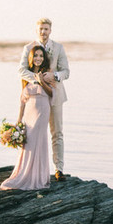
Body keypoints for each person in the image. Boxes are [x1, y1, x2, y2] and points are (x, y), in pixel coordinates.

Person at [19, 18, 69, 181]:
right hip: (36, 98)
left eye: (46, 29)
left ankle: (58, 169)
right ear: (36, 30)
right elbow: (21, 70)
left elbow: (66, 72)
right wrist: (38, 79)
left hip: (55, 96)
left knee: (57, 132)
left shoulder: (59, 48)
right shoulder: (28, 48)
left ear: (50, 30)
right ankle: (33, 169)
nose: (43, 32)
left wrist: (53, 75)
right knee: (33, 133)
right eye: (41, 29)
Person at [0, 45, 54, 191]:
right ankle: (24, 173)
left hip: (42, 110)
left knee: (38, 140)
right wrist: (19, 119)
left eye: (41, 56)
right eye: (36, 55)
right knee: (28, 142)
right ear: (31, 58)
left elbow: (51, 93)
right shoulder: (26, 75)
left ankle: (38, 177)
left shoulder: (47, 74)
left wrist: (41, 81)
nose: (38, 58)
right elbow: (22, 100)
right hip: (29, 112)